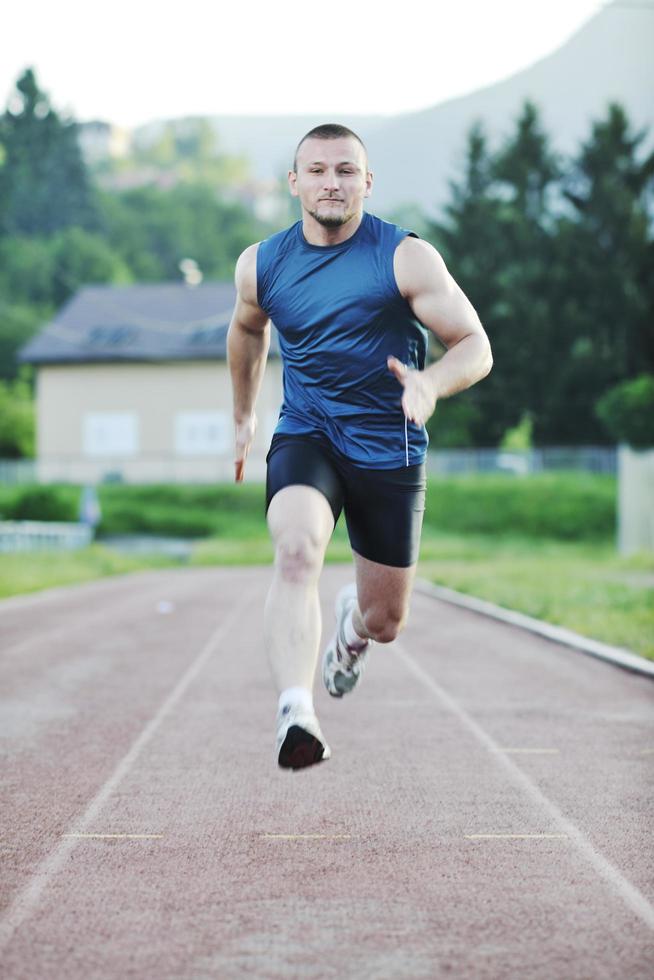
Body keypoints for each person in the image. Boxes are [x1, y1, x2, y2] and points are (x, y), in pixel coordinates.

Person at [227, 123, 492, 771]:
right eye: (316, 170)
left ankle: (349, 633)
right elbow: (247, 331)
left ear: (367, 183)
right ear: (294, 183)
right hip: (308, 431)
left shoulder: (404, 258)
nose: (331, 182)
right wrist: (242, 416)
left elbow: (476, 346)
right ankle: (297, 712)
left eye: (346, 170)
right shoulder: (262, 264)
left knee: (385, 621)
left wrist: (430, 384)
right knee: (295, 550)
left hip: (388, 445)